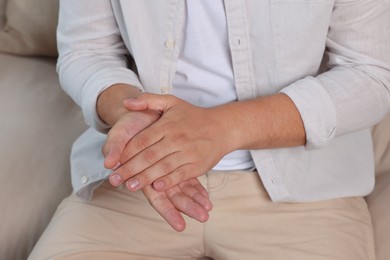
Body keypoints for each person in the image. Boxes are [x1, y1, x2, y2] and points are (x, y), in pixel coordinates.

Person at [29, 0, 390, 259]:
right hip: (140, 175)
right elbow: (87, 50)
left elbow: (372, 74)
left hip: (306, 192)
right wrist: (130, 112)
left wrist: (223, 128)